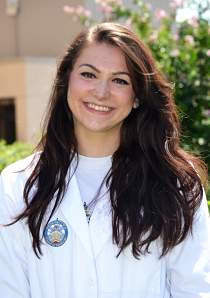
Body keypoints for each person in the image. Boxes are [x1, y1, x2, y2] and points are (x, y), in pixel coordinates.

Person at [0, 22, 210, 298]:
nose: (101, 92)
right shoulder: (18, 184)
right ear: (66, 82)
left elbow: (194, 290)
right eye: (88, 74)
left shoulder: (177, 182)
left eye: (120, 80)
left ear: (137, 97)